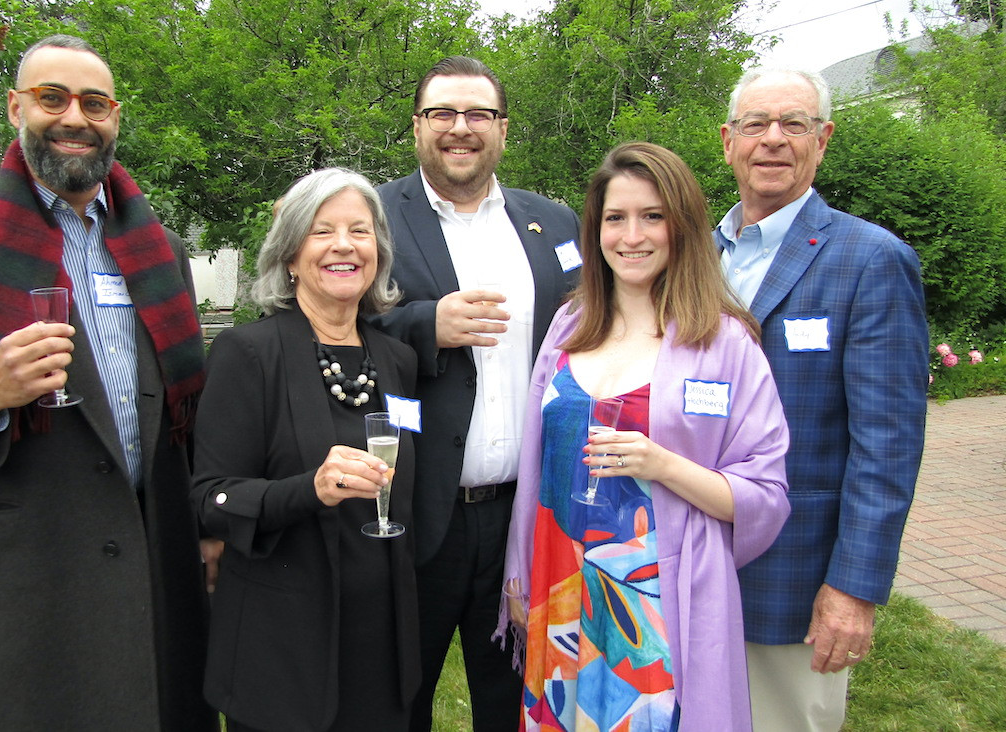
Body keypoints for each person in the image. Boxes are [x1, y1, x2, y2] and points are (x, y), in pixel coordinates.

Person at [0, 35, 214, 731]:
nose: (74, 118)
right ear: (15, 107)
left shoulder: (159, 248)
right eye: (52, 98)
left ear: (115, 115)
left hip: (155, 560)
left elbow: (185, 406)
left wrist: (209, 524)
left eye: (95, 102)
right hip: (31, 578)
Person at [497, 141, 792, 730]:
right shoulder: (570, 323)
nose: (632, 236)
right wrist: (519, 571)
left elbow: (766, 495)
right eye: (615, 218)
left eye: (652, 216)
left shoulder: (725, 343)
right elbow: (535, 464)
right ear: (595, 229)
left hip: (656, 597)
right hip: (561, 583)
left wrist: (664, 464)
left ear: (680, 226)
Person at [716, 68, 929, 731]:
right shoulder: (697, 254)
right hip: (687, 564)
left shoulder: (870, 261)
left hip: (795, 574)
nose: (773, 140)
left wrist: (855, 588)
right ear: (729, 142)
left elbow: (886, 442)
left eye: (794, 124)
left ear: (823, 139)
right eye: (756, 124)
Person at [374, 56, 582, 731]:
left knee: (515, 696)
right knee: (398, 695)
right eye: (442, 113)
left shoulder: (553, 223)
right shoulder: (372, 215)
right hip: (416, 509)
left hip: (526, 515)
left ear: (502, 128)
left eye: (478, 115)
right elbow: (327, 322)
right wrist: (423, 324)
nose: (460, 129)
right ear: (417, 126)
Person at [192, 168, 421, 732]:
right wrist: (310, 489)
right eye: (323, 232)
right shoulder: (247, 353)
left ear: (378, 253)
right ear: (291, 256)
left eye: (359, 231)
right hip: (282, 649)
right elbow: (208, 498)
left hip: (381, 645)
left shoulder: (396, 362)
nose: (344, 245)